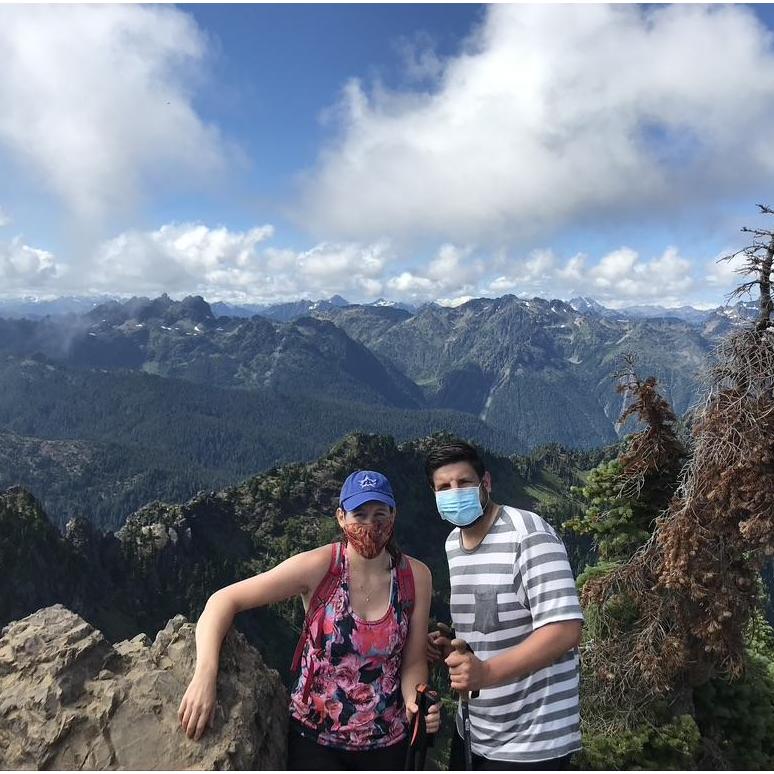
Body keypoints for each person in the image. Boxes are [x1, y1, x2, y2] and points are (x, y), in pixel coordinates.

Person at [178, 469, 440, 770]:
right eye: (360, 514)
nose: (370, 525)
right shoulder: (320, 568)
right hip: (314, 740)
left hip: (387, 743)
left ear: (393, 516)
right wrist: (204, 675)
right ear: (341, 517)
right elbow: (223, 601)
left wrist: (414, 700)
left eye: (380, 514)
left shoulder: (415, 577)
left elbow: (413, 661)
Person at [425, 442, 584, 770]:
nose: (454, 492)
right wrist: (449, 647)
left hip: (533, 739)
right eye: (444, 487)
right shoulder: (453, 543)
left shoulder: (528, 534)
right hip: (475, 730)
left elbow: (565, 630)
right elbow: (489, 624)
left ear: (486, 483)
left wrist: (485, 673)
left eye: (464, 483)